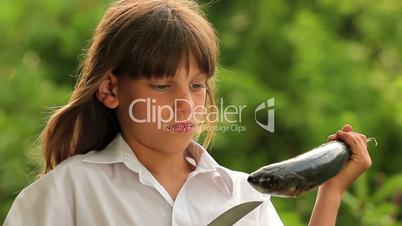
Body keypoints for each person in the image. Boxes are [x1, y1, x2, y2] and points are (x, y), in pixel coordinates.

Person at [3, 0, 372, 225]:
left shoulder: (244, 194)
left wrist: (331, 192)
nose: (185, 103)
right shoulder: (69, 191)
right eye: (162, 86)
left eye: (196, 86)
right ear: (111, 89)